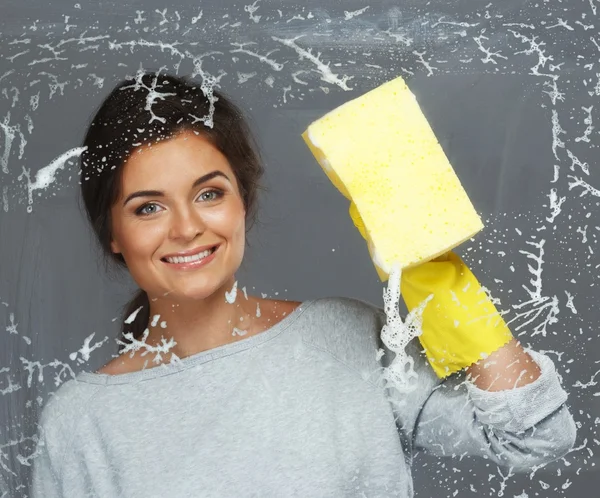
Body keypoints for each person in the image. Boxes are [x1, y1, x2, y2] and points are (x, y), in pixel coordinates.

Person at [31, 72, 576, 497]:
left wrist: (436, 274)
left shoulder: (344, 336)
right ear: (113, 234)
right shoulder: (82, 424)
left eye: (209, 193)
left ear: (243, 201)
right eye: (148, 207)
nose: (186, 227)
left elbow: (534, 438)